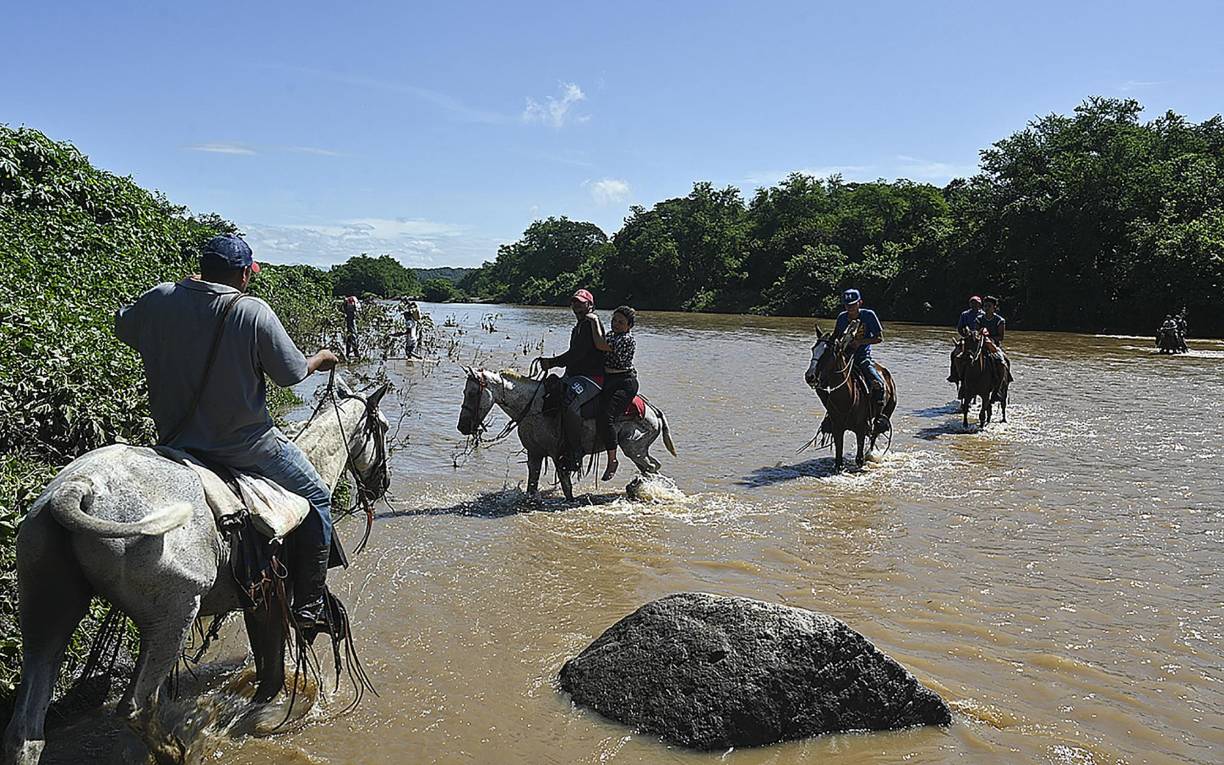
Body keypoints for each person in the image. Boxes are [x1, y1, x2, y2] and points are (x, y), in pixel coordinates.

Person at [115, 234, 341, 636]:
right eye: (247, 275)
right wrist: (320, 359)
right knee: (319, 497)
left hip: (174, 442)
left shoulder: (159, 298)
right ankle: (309, 605)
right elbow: (290, 375)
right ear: (243, 274)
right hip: (247, 447)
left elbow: (123, 327)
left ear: (202, 268)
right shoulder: (252, 311)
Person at [536, 289, 606, 471]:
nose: (576, 306)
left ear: (590, 305)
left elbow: (576, 354)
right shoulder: (580, 325)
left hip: (591, 378)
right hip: (575, 375)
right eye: (574, 303)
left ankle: (575, 451)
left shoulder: (589, 324)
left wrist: (552, 362)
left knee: (570, 404)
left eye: (581, 303)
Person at [591, 306, 638, 481]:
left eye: (621, 322)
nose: (616, 324)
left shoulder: (626, 339)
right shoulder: (612, 335)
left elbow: (599, 344)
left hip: (624, 383)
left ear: (629, 326)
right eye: (614, 320)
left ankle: (612, 460)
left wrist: (594, 320)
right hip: (609, 380)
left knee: (605, 416)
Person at [831, 288, 886, 430]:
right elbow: (835, 337)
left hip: (862, 357)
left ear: (860, 303)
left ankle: (879, 419)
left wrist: (860, 342)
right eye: (847, 305)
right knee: (825, 381)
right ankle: (830, 417)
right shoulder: (842, 317)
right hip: (844, 358)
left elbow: (879, 338)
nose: (850, 308)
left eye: (853, 305)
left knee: (878, 383)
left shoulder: (869, 316)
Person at [948, 295, 984, 385]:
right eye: (972, 303)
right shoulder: (965, 314)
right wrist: (965, 335)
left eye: (976, 303)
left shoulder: (983, 315)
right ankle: (954, 375)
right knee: (954, 354)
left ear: (980, 304)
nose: (974, 305)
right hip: (967, 337)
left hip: (980, 338)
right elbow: (960, 328)